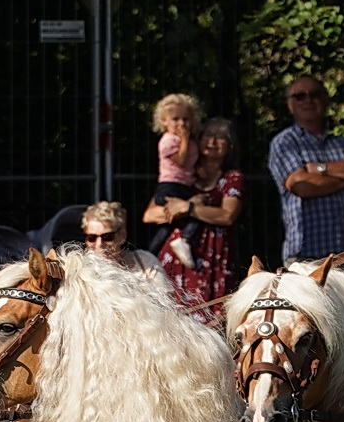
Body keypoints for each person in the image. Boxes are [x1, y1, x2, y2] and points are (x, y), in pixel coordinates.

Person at [267, 75, 344, 262]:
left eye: (315, 94)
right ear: (289, 105)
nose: (308, 100)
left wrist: (318, 169)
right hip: (307, 256)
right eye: (300, 96)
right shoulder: (284, 142)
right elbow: (302, 186)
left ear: (326, 99)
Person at [146, 116, 243, 318]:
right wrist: (177, 210)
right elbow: (150, 214)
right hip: (176, 258)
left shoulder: (232, 179)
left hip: (213, 259)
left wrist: (187, 207)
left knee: (214, 322)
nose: (212, 141)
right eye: (207, 135)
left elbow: (227, 215)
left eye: (220, 137)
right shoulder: (183, 177)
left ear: (230, 145)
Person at [146, 92, 203, 266]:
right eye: (175, 119)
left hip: (184, 185)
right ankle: (185, 239)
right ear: (164, 121)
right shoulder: (168, 140)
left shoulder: (192, 143)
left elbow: (191, 164)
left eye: (186, 119)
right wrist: (184, 139)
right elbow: (181, 160)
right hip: (171, 186)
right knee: (195, 212)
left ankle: (151, 255)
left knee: (166, 226)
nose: (181, 124)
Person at [78, 200, 160, 273]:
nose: (99, 244)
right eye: (92, 238)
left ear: (122, 234)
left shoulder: (145, 262)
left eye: (107, 237)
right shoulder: (79, 271)